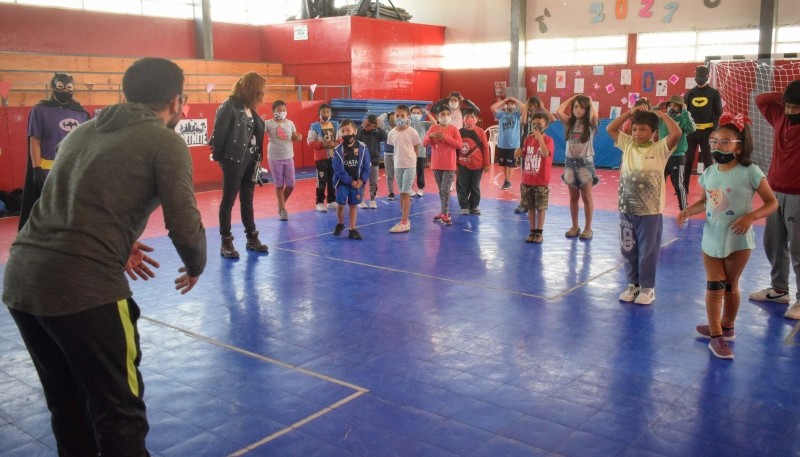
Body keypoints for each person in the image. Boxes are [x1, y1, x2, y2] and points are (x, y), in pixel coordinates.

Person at [2, 57, 207, 456]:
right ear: (177, 101)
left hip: (23, 282)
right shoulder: (165, 141)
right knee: (119, 414)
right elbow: (183, 225)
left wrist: (117, 237)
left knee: (68, 408)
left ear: (125, 94)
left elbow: (57, 202)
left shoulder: (80, 134)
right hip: (84, 288)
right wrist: (196, 264)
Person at [677, 114, 777, 359]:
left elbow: (771, 202)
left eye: (725, 142)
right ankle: (715, 335)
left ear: (739, 145)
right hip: (712, 237)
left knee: (731, 286)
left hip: (739, 240)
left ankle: (727, 327)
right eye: (714, 142)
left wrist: (751, 217)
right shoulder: (710, 172)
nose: (717, 146)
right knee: (715, 285)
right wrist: (688, 211)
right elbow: (705, 202)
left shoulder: (751, 172)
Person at [607, 104, 681, 305]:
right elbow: (611, 129)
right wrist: (629, 113)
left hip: (649, 211)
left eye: (642, 129)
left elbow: (677, 132)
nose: (637, 133)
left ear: (654, 133)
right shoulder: (628, 144)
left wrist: (661, 114)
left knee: (648, 251)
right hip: (626, 209)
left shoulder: (660, 148)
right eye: (634, 129)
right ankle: (633, 285)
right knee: (628, 248)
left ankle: (648, 288)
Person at [750, 80, 800, 318]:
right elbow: (761, 100)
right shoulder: (780, 117)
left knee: (798, 249)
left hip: (798, 195)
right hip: (775, 192)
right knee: (773, 243)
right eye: (787, 106)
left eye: (795, 107)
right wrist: (788, 96)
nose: (789, 111)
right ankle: (780, 289)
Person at [19, 72, 90, 230]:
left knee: (73, 211)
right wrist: (36, 169)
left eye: (69, 87)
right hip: (48, 171)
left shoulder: (81, 113)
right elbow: (34, 141)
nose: (65, 90)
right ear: (53, 88)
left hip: (74, 171)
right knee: (49, 212)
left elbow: (86, 144)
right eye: (60, 86)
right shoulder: (40, 110)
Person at [211, 71, 269, 258]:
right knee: (228, 201)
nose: (262, 94)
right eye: (260, 90)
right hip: (234, 161)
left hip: (251, 161)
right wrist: (223, 160)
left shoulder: (250, 109)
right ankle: (226, 241)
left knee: (247, 201)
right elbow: (218, 136)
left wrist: (257, 163)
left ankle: (252, 238)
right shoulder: (228, 107)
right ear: (252, 89)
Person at [556, 94, 599, 240]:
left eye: (581, 107)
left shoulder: (590, 123)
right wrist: (571, 98)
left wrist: (590, 101)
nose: (578, 110)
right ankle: (575, 226)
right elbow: (558, 111)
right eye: (575, 107)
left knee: (586, 196)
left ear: (586, 109)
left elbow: (594, 116)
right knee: (573, 197)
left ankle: (588, 228)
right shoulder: (569, 122)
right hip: (569, 164)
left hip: (584, 164)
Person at [516, 112, 555, 243]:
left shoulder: (548, 140)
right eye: (534, 125)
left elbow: (545, 153)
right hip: (527, 179)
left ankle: (539, 232)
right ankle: (532, 231)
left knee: (541, 207)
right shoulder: (528, 139)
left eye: (540, 125)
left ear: (546, 126)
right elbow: (525, 154)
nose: (536, 127)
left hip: (541, 180)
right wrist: (519, 153)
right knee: (530, 207)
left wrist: (540, 139)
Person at [684, 65, 723, 194]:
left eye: (702, 75)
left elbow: (718, 113)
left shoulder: (714, 93)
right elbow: (686, 113)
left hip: (707, 132)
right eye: (697, 75)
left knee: (707, 159)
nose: (699, 78)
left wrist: (714, 130)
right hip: (691, 132)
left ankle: (710, 187)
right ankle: (684, 187)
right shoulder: (690, 93)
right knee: (688, 159)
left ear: (707, 76)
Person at [423, 105, 462, 226]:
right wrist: (431, 136)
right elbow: (424, 143)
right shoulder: (433, 128)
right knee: (441, 190)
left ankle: (445, 213)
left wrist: (445, 137)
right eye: (442, 114)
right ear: (438, 117)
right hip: (436, 164)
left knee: (445, 189)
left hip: (449, 165)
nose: (445, 117)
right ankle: (443, 211)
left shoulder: (454, 129)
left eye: (447, 114)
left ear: (450, 116)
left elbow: (459, 145)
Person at [515, 96, 555, 213]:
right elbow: (522, 121)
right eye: (531, 105)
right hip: (528, 146)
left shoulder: (542, 118)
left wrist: (542, 107)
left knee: (539, 171)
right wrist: (526, 107)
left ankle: (538, 201)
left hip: (539, 147)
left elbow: (553, 119)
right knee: (526, 173)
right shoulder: (528, 116)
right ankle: (524, 202)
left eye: (535, 105)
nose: (533, 108)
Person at [332, 119, 370, 240]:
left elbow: (366, 166)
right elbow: (338, 169)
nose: (346, 133)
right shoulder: (338, 150)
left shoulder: (363, 148)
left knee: (353, 205)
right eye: (343, 131)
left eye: (348, 130)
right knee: (341, 204)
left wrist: (362, 180)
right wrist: (350, 181)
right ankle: (341, 223)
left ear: (355, 131)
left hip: (357, 183)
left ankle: (352, 229)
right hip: (343, 182)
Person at [264, 99, 302, 221]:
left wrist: (298, 137)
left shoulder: (290, 123)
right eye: (279, 110)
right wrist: (258, 122)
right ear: (273, 112)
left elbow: (295, 137)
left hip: (288, 157)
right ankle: (283, 210)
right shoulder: (268, 123)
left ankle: (280, 204)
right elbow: (257, 132)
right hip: (274, 158)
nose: (281, 112)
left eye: (284, 110)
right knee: (279, 185)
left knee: (291, 185)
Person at [387, 104, 422, 233]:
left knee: (406, 193)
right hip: (398, 165)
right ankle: (404, 218)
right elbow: (394, 148)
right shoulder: (392, 133)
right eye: (397, 115)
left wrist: (413, 161)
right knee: (401, 193)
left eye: (402, 115)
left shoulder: (412, 132)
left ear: (408, 117)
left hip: (409, 165)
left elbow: (416, 148)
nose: (399, 118)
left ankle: (404, 222)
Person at [657, 95, 696, 210]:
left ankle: (684, 210)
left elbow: (691, 128)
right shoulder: (663, 117)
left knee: (678, 185)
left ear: (681, 107)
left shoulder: (683, 118)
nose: (672, 107)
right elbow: (649, 118)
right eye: (671, 104)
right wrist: (657, 108)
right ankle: (655, 207)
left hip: (677, 157)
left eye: (676, 105)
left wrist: (685, 111)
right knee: (658, 184)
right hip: (662, 156)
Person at [457, 108, 490, 215]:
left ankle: (474, 206)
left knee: (475, 186)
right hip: (462, 165)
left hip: (477, 165)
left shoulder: (480, 132)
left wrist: (486, 164)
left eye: (472, 117)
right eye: (467, 117)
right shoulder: (459, 132)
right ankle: (464, 206)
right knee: (462, 185)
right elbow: (456, 150)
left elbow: (485, 148)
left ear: (476, 119)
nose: (469, 119)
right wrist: (455, 165)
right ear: (463, 119)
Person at [308, 103, 339, 212]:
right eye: (323, 112)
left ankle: (331, 201)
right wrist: (323, 144)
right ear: (319, 113)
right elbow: (310, 142)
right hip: (321, 159)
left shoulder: (335, 125)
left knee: (332, 180)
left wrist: (335, 143)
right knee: (321, 180)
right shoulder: (314, 126)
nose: (325, 114)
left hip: (333, 158)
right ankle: (319, 202)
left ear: (331, 113)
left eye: (327, 112)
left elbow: (340, 139)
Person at [491, 96, 525, 190]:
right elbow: (493, 107)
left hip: (514, 145)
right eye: (508, 104)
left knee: (511, 164)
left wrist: (516, 100)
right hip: (502, 144)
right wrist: (504, 101)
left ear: (514, 106)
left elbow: (525, 108)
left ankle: (508, 181)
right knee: (505, 164)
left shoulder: (517, 115)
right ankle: (506, 180)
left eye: (511, 104)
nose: (509, 105)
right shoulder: (501, 114)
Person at [356, 114, 386, 209]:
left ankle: (372, 200)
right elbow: (355, 138)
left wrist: (378, 127)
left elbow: (385, 137)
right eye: (369, 125)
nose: (370, 127)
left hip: (374, 160)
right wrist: (362, 126)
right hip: (363, 160)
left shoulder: (376, 133)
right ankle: (361, 200)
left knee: (373, 182)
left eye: (372, 125)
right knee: (362, 181)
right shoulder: (361, 132)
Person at [409, 105, 435, 197]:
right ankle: (409, 188)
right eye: (414, 113)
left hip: (421, 152)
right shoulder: (408, 123)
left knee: (420, 171)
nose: (416, 114)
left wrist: (427, 113)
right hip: (409, 153)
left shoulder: (424, 123)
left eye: (418, 113)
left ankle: (420, 188)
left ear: (421, 114)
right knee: (410, 171)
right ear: (410, 114)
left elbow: (435, 123)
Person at [378, 111, 397, 201]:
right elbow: (378, 121)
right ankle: (391, 192)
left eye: (395, 117)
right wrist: (385, 114)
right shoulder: (385, 129)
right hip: (388, 154)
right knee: (389, 176)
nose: (393, 119)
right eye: (391, 118)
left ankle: (405, 192)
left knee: (401, 175)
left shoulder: (400, 128)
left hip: (399, 155)